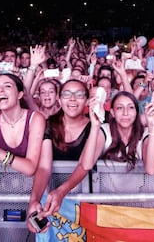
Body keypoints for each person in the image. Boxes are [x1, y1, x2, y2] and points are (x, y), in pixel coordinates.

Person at [28, 90, 154, 234]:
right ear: (113, 112)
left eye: (130, 107)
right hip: (107, 207)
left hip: (138, 207)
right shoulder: (105, 131)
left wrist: (153, 127)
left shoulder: (146, 134)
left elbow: (151, 169)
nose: (125, 113)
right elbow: (86, 164)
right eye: (119, 108)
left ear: (136, 112)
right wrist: (95, 126)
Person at [27, 79, 99, 233]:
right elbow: (44, 167)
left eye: (79, 94)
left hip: (86, 202)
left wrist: (61, 191)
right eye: (67, 94)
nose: (72, 99)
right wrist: (34, 200)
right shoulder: (48, 124)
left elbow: (84, 165)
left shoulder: (97, 125)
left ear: (87, 100)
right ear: (59, 99)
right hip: (52, 203)